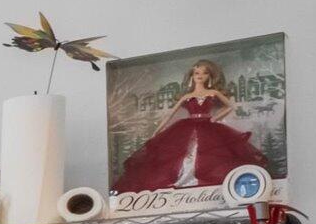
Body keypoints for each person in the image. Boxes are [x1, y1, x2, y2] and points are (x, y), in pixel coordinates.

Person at [113, 58, 268, 193]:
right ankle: (183, 182)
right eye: (197, 73)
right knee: (183, 154)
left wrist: (216, 118)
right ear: (192, 76)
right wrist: (157, 131)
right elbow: (169, 115)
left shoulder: (213, 93)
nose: (200, 76)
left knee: (211, 155)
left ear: (210, 76)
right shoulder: (187, 96)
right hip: (186, 127)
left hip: (208, 127)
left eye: (204, 73)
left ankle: (207, 185)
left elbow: (229, 106)